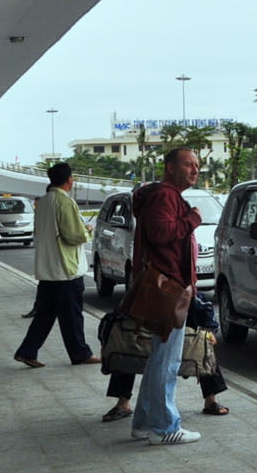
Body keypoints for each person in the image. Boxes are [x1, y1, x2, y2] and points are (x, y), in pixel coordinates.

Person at [129, 148, 203, 445]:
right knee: (166, 360)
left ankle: (144, 423)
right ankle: (164, 427)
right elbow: (162, 233)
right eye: (188, 165)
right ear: (170, 168)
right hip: (168, 288)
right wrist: (193, 219)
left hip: (167, 285)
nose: (195, 170)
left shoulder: (165, 195)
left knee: (159, 358)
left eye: (197, 165)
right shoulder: (166, 196)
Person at [13, 163, 100, 368]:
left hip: (47, 269)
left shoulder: (42, 202)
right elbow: (73, 236)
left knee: (45, 314)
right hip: (65, 270)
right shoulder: (65, 202)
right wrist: (88, 230)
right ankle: (80, 353)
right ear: (69, 179)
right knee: (72, 316)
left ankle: (27, 351)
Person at [103, 294, 229, 422]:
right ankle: (122, 402)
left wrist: (210, 330)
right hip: (151, 301)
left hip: (178, 302)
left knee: (203, 345)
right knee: (127, 347)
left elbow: (202, 305)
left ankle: (211, 399)